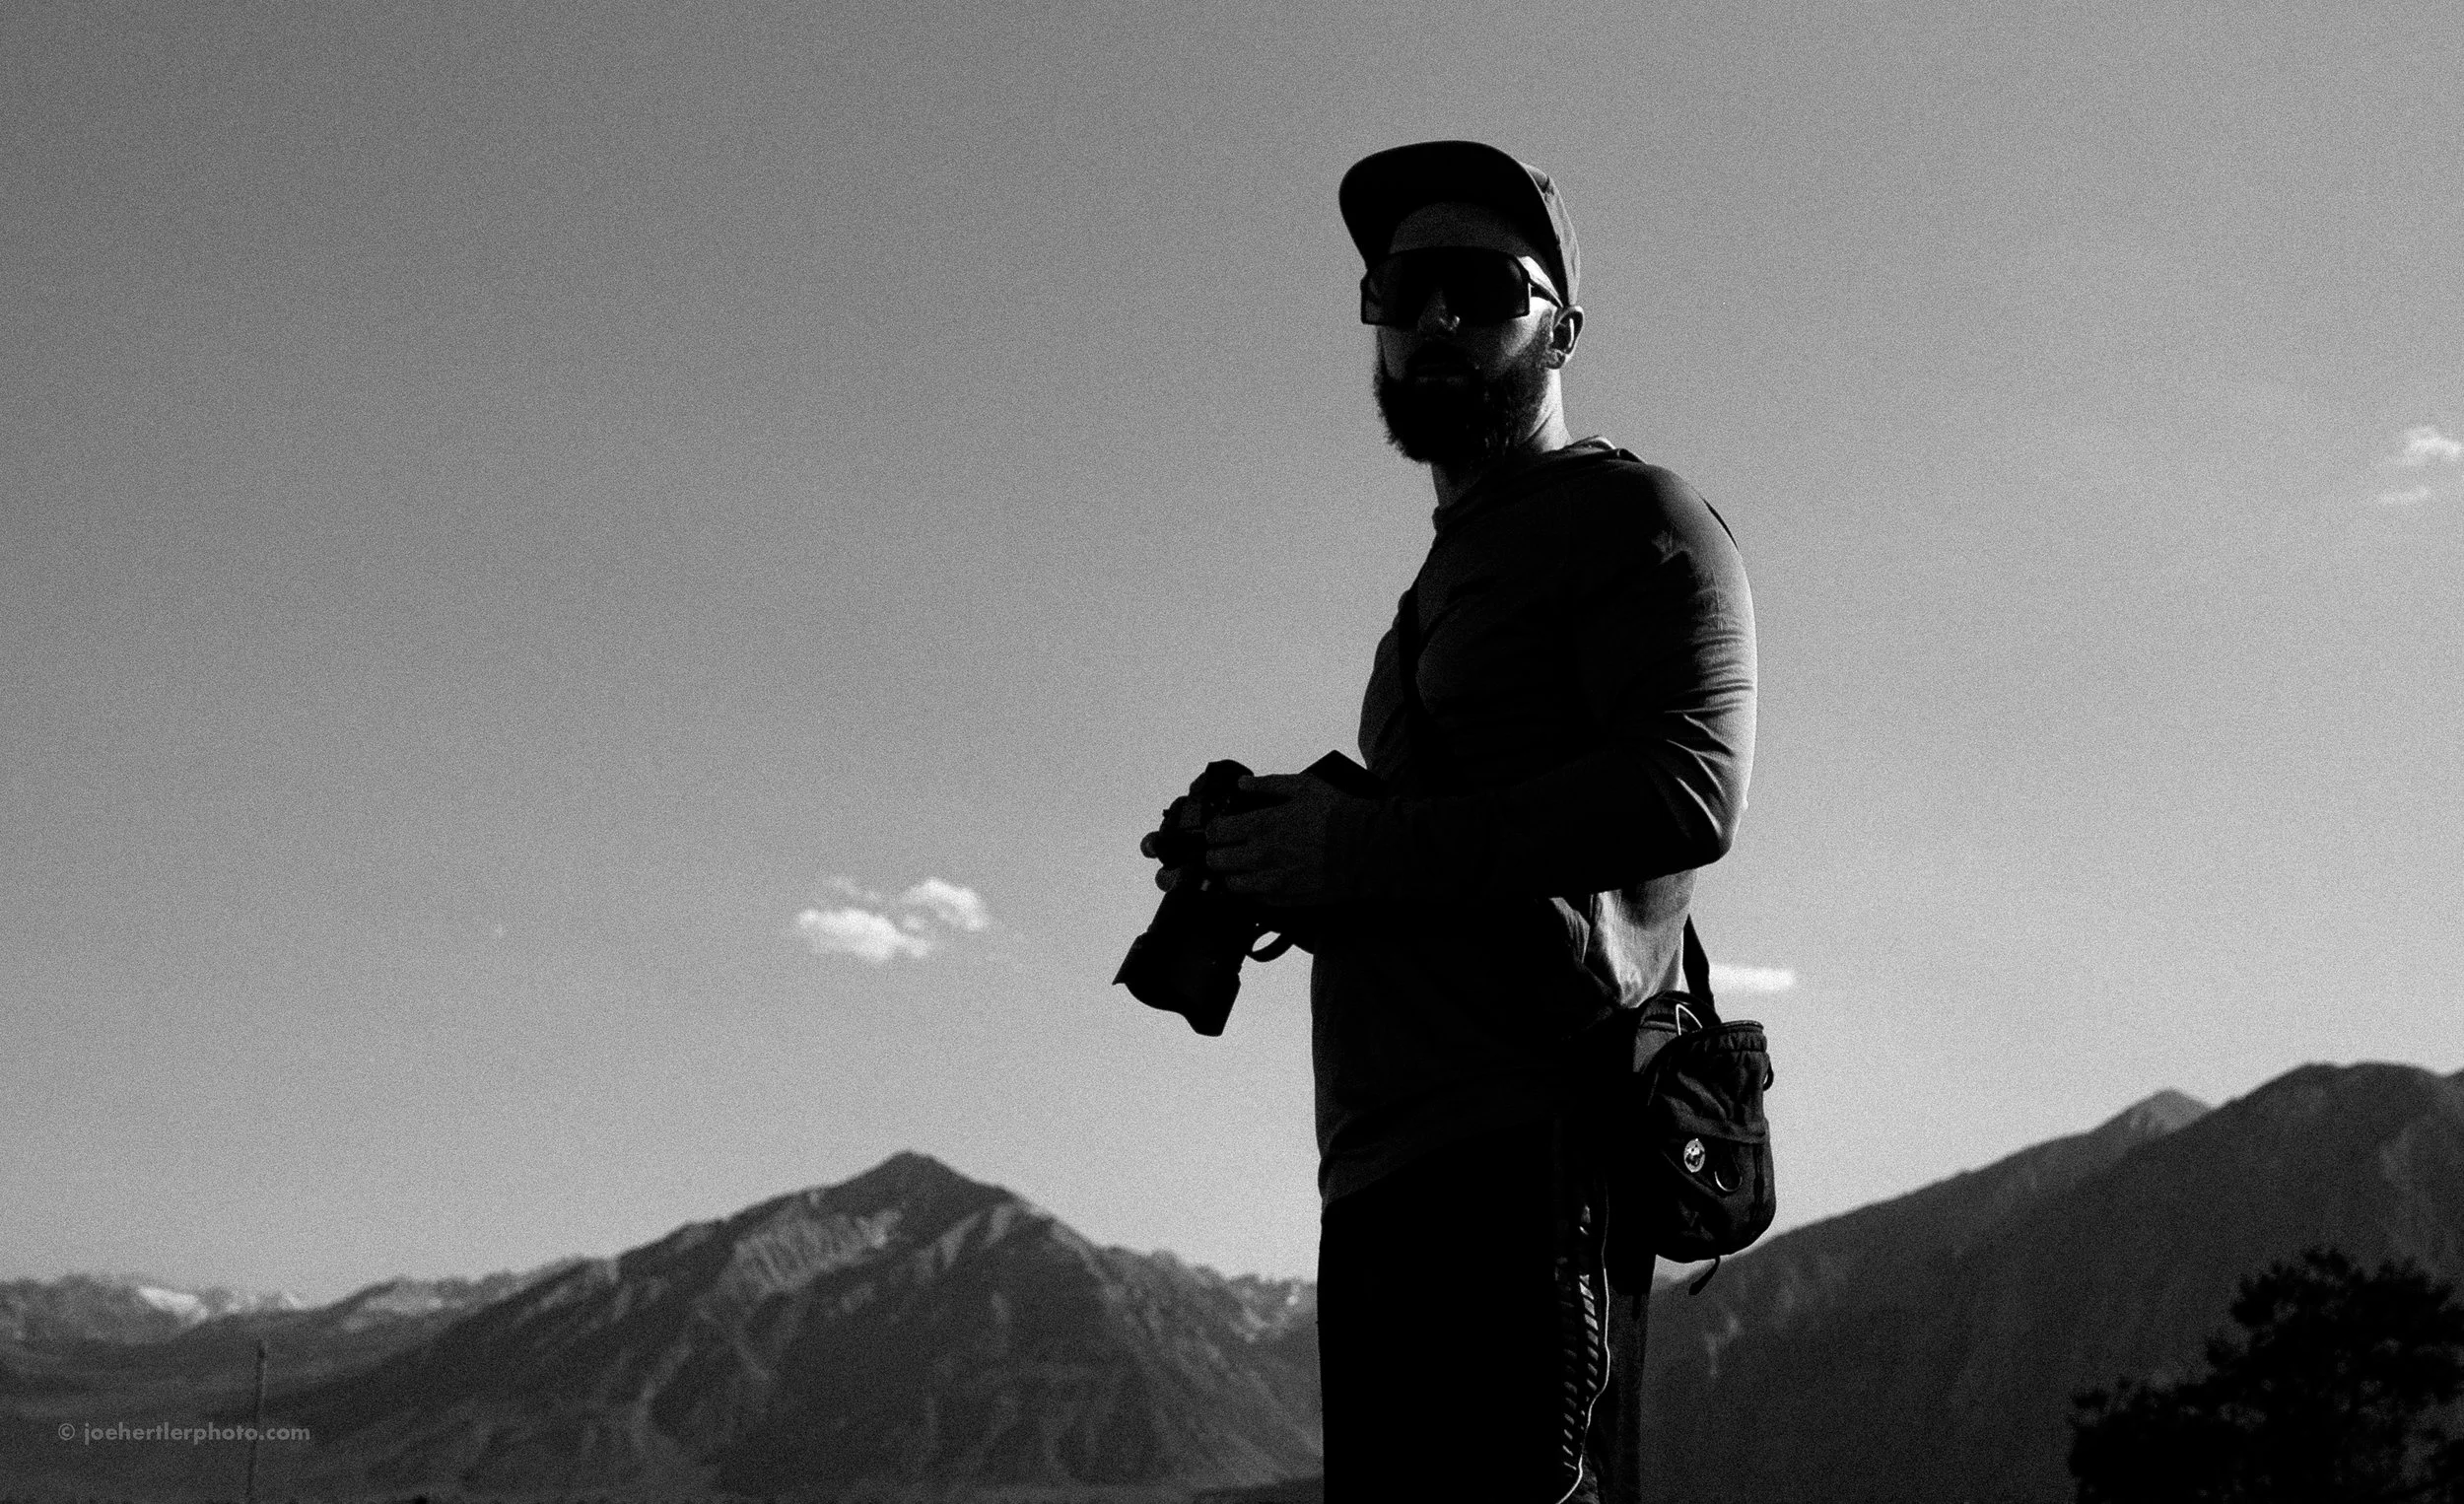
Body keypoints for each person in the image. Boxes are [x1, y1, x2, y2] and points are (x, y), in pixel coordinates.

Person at [1198, 141, 1757, 1502]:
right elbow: (1448, 850)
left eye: (1479, 288)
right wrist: (1283, 854)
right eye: (1402, 291)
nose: (1435, 320)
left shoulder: (1639, 517)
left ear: (1560, 327)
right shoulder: (1441, 582)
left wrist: (1357, 846)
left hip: (1530, 1163)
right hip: (1386, 1169)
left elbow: (1689, 790)